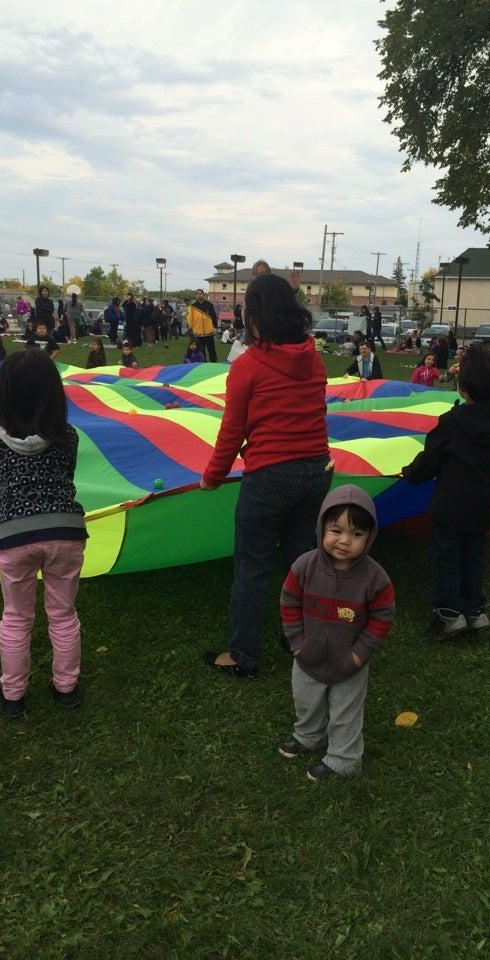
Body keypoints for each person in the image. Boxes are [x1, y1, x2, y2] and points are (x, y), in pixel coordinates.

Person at [200, 273, 332, 677]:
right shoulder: (314, 358)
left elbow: (231, 432)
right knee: (301, 563)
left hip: (270, 478)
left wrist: (212, 476)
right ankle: (300, 638)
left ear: (253, 314)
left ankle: (242, 655)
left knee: (252, 565)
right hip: (315, 472)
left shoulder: (247, 366)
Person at [0, 350, 87, 718]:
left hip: (14, 538)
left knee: (16, 617)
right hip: (66, 533)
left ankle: (13, 696)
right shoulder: (66, 436)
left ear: (2, 393)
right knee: (63, 613)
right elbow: (64, 481)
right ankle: (66, 689)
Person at [278, 485, 395, 780]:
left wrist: (359, 655)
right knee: (306, 701)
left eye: (356, 534)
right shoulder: (304, 566)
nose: (345, 541)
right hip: (307, 655)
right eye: (336, 530)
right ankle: (309, 735)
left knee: (346, 712)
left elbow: (382, 617)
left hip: (350, 662)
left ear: (370, 537)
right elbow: (289, 601)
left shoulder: (375, 578)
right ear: (321, 527)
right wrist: (296, 642)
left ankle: (344, 758)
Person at [402, 346, 490, 637]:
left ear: (462, 387)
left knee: (447, 557)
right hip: (482, 505)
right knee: (474, 555)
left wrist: (409, 473)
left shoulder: (452, 422)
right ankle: (475, 611)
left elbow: (430, 460)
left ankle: (449, 613)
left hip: (451, 506)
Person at [187, 289, 218, 362]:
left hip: (209, 332)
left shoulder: (209, 305)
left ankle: (214, 364)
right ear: (196, 295)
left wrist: (214, 326)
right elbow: (190, 319)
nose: (199, 295)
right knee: (201, 351)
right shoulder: (192, 306)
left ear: (203, 295)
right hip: (198, 333)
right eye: (197, 293)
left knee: (212, 350)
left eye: (201, 293)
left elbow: (214, 316)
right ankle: (203, 365)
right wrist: (191, 328)